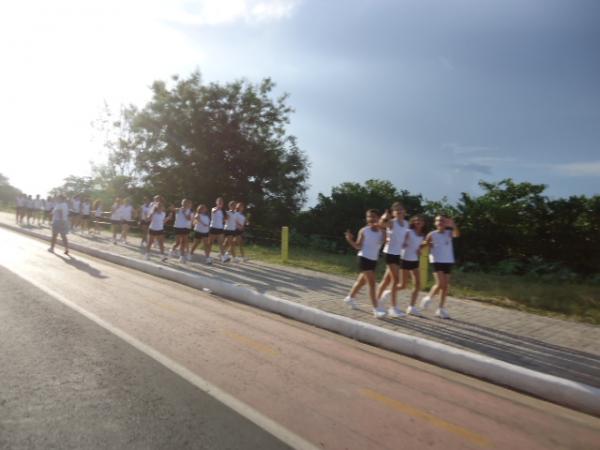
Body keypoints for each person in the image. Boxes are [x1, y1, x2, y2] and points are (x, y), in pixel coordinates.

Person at [343, 209, 386, 318]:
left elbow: (384, 242)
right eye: (369, 217)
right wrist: (349, 240)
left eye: (374, 217)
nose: (371, 219)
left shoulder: (382, 231)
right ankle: (376, 309)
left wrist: (383, 228)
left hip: (373, 260)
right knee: (372, 283)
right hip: (363, 258)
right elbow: (358, 246)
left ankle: (350, 298)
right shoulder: (364, 230)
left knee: (361, 282)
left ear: (378, 218)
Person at [420, 215, 460, 319]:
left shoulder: (449, 233)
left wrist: (453, 225)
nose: (440, 222)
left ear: (446, 223)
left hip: (448, 261)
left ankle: (440, 309)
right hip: (436, 261)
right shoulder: (432, 234)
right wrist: (427, 244)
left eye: (442, 220)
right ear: (435, 223)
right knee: (440, 284)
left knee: (445, 287)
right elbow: (424, 244)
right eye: (438, 220)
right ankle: (428, 298)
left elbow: (457, 234)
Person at [376, 203, 409, 318]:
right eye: (396, 210)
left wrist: (405, 242)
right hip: (389, 253)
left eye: (401, 209)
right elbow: (381, 224)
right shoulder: (392, 222)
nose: (399, 211)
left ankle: (377, 302)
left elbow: (404, 236)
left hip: (397, 254)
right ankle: (393, 308)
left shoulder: (406, 223)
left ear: (405, 211)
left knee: (386, 280)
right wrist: (385, 216)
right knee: (396, 280)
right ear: (393, 212)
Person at [399, 215, 427, 316]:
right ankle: (387, 293)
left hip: (415, 260)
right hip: (405, 259)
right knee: (403, 285)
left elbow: (419, 246)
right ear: (413, 222)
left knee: (417, 284)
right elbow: (400, 242)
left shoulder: (423, 235)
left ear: (423, 223)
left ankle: (411, 307)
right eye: (416, 220)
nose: (418, 221)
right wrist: (403, 244)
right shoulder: (408, 232)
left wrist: (420, 249)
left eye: (420, 220)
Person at [169, 198, 193, 263]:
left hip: (185, 228)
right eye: (183, 203)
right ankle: (172, 250)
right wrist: (172, 207)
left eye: (186, 203)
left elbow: (188, 219)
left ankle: (181, 256)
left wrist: (184, 212)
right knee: (178, 243)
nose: (185, 204)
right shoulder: (178, 209)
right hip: (178, 227)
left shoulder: (190, 211)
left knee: (183, 242)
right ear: (182, 203)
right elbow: (172, 209)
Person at [207, 197, 230, 263]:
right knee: (210, 243)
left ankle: (223, 258)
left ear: (223, 203)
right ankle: (208, 258)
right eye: (219, 201)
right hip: (213, 228)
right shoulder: (213, 208)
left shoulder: (223, 211)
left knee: (221, 243)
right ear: (216, 202)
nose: (220, 203)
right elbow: (214, 212)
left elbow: (225, 219)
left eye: (221, 202)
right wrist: (218, 208)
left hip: (220, 228)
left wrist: (226, 218)